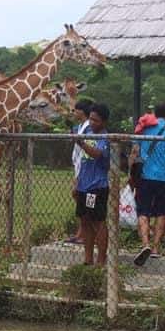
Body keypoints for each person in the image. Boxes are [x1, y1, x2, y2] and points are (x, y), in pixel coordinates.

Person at [133, 102, 165, 266]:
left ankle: (145, 243)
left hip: (145, 177)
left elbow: (134, 153)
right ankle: (155, 248)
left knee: (143, 212)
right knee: (161, 213)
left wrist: (130, 175)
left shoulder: (143, 130)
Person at [71, 102, 111, 267]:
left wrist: (81, 143)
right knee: (85, 220)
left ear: (104, 122)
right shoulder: (86, 132)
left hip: (96, 186)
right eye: (91, 119)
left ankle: (101, 259)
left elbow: (96, 154)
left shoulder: (104, 137)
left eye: (96, 120)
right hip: (83, 185)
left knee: (97, 222)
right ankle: (88, 258)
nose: (93, 123)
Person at [69, 99, 97, 245]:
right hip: (79, 168)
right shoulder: (80, 127)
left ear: (82, 111)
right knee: (79, 199)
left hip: (86, 172)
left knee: (85, 201)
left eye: (76, 110)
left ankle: (87, 234)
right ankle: (82, 232)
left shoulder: (89, 128)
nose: (74, 112)